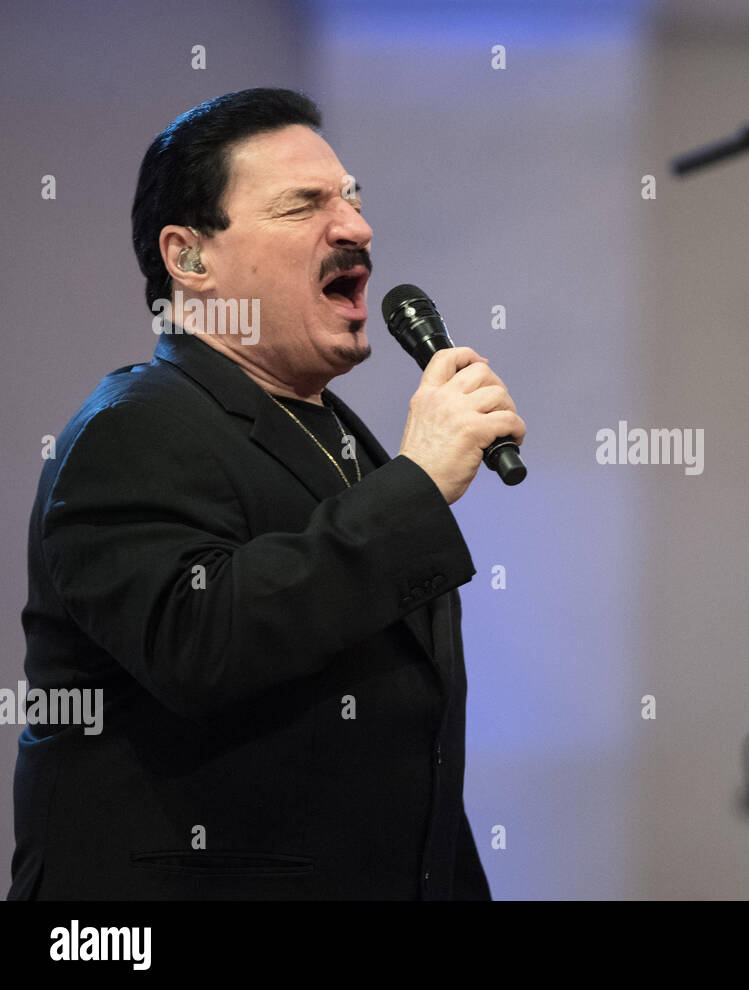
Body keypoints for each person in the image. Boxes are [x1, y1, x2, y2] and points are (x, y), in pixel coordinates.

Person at [10, 88, 525, 899]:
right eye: (303, 206)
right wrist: (416, 484)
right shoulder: (130, 429)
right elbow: (200, 645)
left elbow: (404, 753)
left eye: (351, 198)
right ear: (189, 258)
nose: (355, 226)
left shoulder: (342, 439)